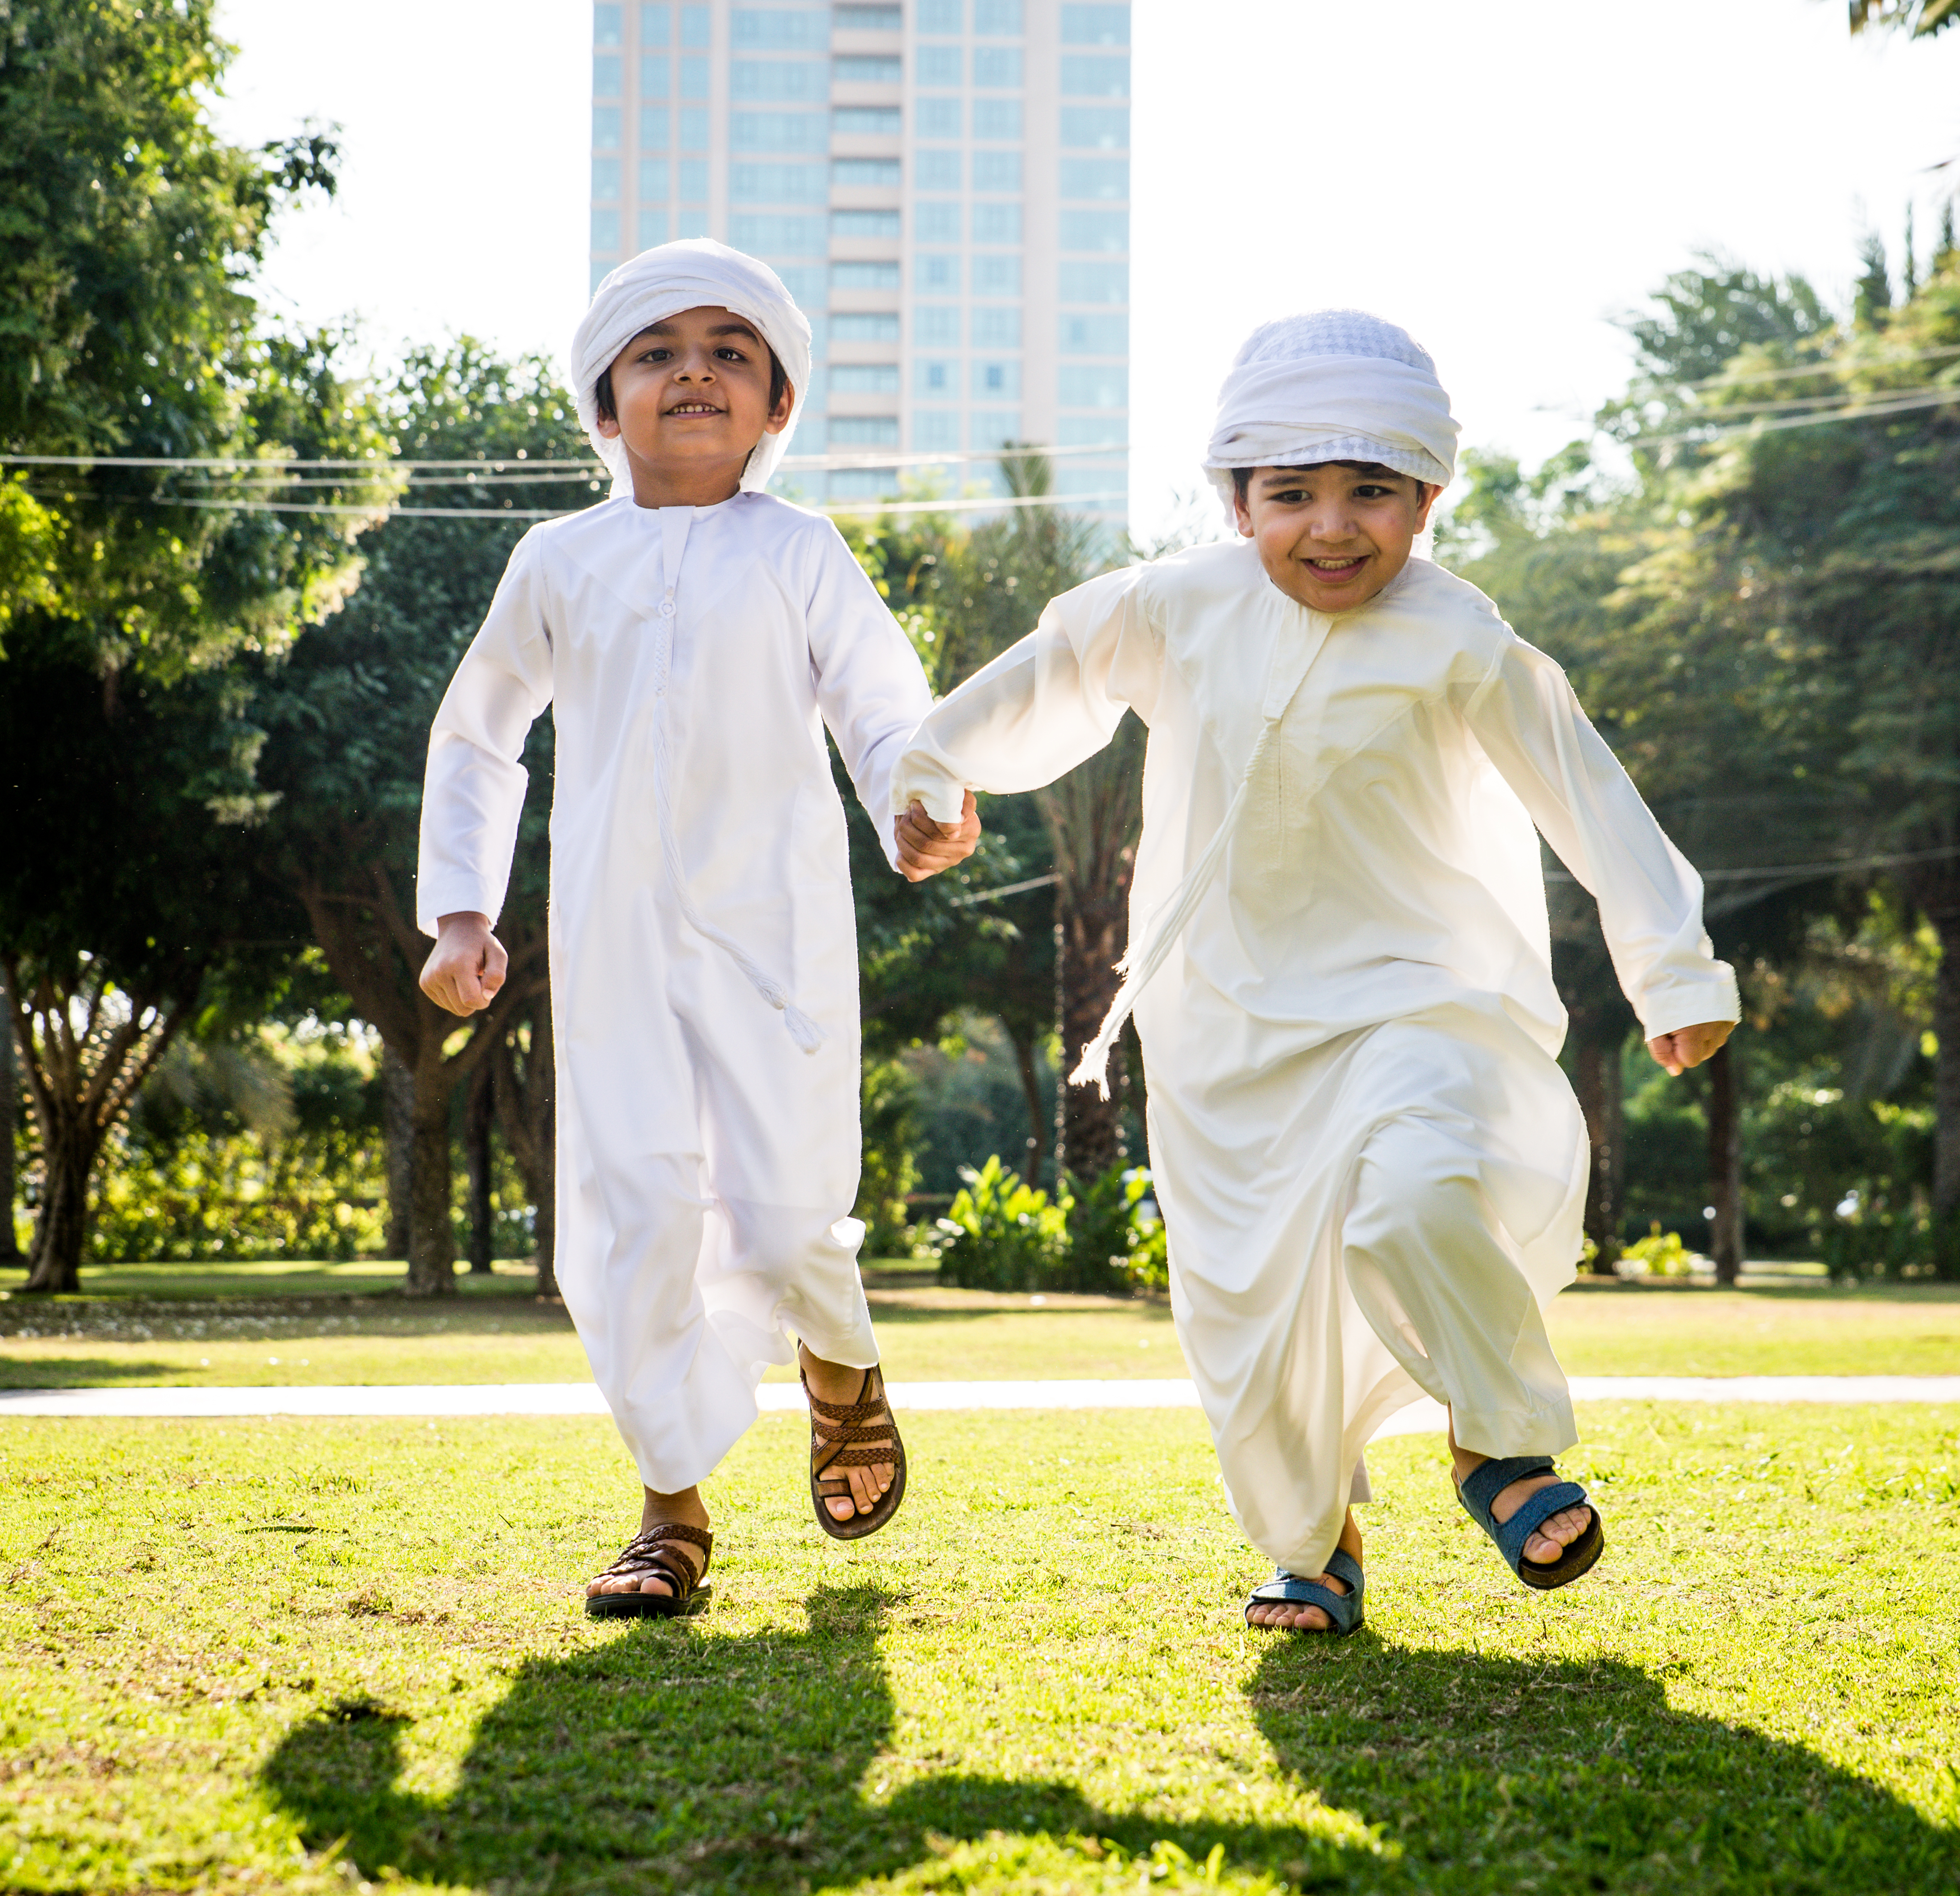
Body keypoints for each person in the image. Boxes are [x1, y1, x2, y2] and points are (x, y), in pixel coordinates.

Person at [886, 311, 1738, 1634]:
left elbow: (1588, 794)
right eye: (1290, 494)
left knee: (1409, 1197)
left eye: (1370, 493)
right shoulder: (1172, 605)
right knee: (1251, 1313)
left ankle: (1496, 1442)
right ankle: (1313, 1541)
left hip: (1415, 996)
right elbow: (1043, 675)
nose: (1331, 528)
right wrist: (931, 770)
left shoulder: (1462, 635)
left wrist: (1673, 974)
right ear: (1234, 501)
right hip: (1222, 1020)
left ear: (1427, 498)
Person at [414, 240, 982, 1618]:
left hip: (774, 932)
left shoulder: (799, 550)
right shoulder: (558, 558)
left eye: (732, 350)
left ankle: (838, 1364)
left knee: (790, 1214)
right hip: (609, 942)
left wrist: (918, 792)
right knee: (632, 1222)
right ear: (604, 407)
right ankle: (671, 1514)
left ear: (778, 405)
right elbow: (483, 729)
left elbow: (881, 698)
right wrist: (461, 910)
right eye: (657, 351)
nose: (695, 372)